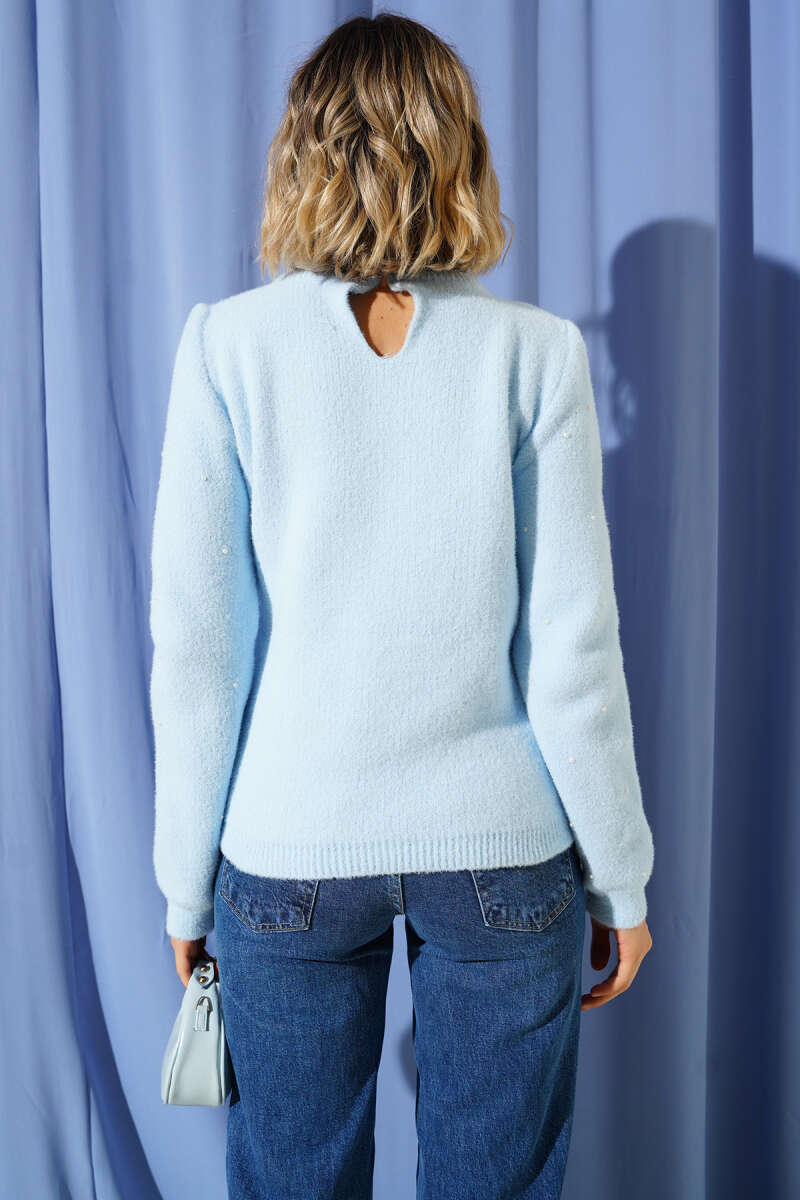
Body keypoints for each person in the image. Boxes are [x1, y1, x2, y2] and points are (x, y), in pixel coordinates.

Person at [149, 13, 654, 1199]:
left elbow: (200, 649)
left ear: (301, 154)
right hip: (503, 854)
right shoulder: (533, 354)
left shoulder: (228, 348)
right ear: (458, 153)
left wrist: (183, 882)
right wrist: (619, 881)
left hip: (288, 851)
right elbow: (571, 652)